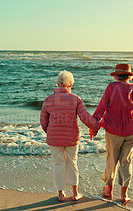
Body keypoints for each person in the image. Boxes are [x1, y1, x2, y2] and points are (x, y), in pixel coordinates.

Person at [90, 63, 133, 203]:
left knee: (112, 158)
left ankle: (109, 190)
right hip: (131, 130)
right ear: (129, 76)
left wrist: (94, 125)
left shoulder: (111, 87)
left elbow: (101, 107)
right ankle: (124, 194)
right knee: (126, 161)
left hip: (113, 130)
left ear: (117, 76)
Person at [40, 70, 100, 202]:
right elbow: (85, 118)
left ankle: (61, 194)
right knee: (73, 163)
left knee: (58, 164)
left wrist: (50, 132)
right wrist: (96, 126)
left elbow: (43, 121)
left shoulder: (49, 99)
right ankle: (75, 193)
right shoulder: (75, 99)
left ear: (58, 83)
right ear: (71, 84)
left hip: (54, 139)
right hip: (72, 139)